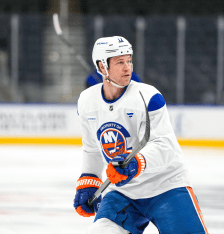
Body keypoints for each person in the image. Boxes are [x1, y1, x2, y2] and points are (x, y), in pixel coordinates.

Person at [74, 36, 209, 234]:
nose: (128, 68)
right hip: (122, 192)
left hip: (166, 186)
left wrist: (136, 163)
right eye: (120, 62)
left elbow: (165, 146)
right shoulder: (87, 101)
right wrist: (89, 179)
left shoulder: (149, 97)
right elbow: (93, 147)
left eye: (129, 61)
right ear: (103, 67)